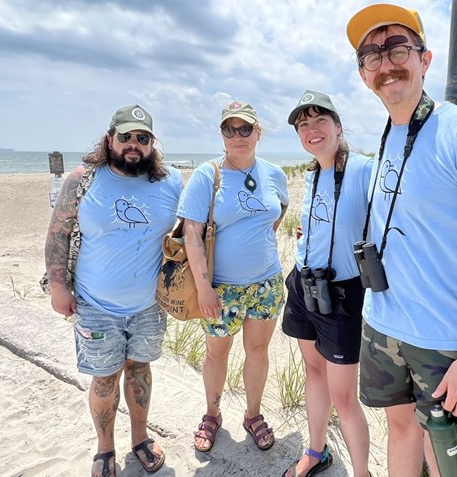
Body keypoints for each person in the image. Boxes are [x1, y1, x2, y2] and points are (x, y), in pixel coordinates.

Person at [346, 5, 457, 477]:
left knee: (445, 455)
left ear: (425, 59)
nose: (386, 63)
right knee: (400, 430)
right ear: (363, 74)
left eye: (398, 48)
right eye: (372, 56)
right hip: (383, 322)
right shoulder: (383, 138)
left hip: (446, 337)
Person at [45, 104, 181, 477]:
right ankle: (105, 448)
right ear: (109, 139)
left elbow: (194, 231)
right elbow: (58, 233)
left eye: (142, 137)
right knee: (105, 378)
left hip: (148, 306)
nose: (133, 144)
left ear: (152, 144)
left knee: (140, 370)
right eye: (125, 136)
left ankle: (140, 437)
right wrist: (58, 285)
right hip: (95, 304)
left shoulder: (170, 182)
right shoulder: (82, 179)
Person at [177, 101, 289, 453]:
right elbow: (191, 234)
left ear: (258, 132)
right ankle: (212, 414)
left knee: (257, 352)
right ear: (222, 134)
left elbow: (277, 213)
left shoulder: (274, 173)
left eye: (246, 129)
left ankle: (252, 415)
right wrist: (204, 287)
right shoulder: (208, 175)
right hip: (221, 289)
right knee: (216, 353)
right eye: (230, 129)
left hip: (266, 285)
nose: (238, 136)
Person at [281, 91, 374, 477]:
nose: (312, 130)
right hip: (305, 284)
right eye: (304, 125)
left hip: (342, 294)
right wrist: (308, 237)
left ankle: (362, 472)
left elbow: (404, 213)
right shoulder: (313, 172)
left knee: (344, 397)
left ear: (338, 126)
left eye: (320, 121)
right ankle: (316, 451)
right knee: (313, 371)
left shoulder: (366, 169)